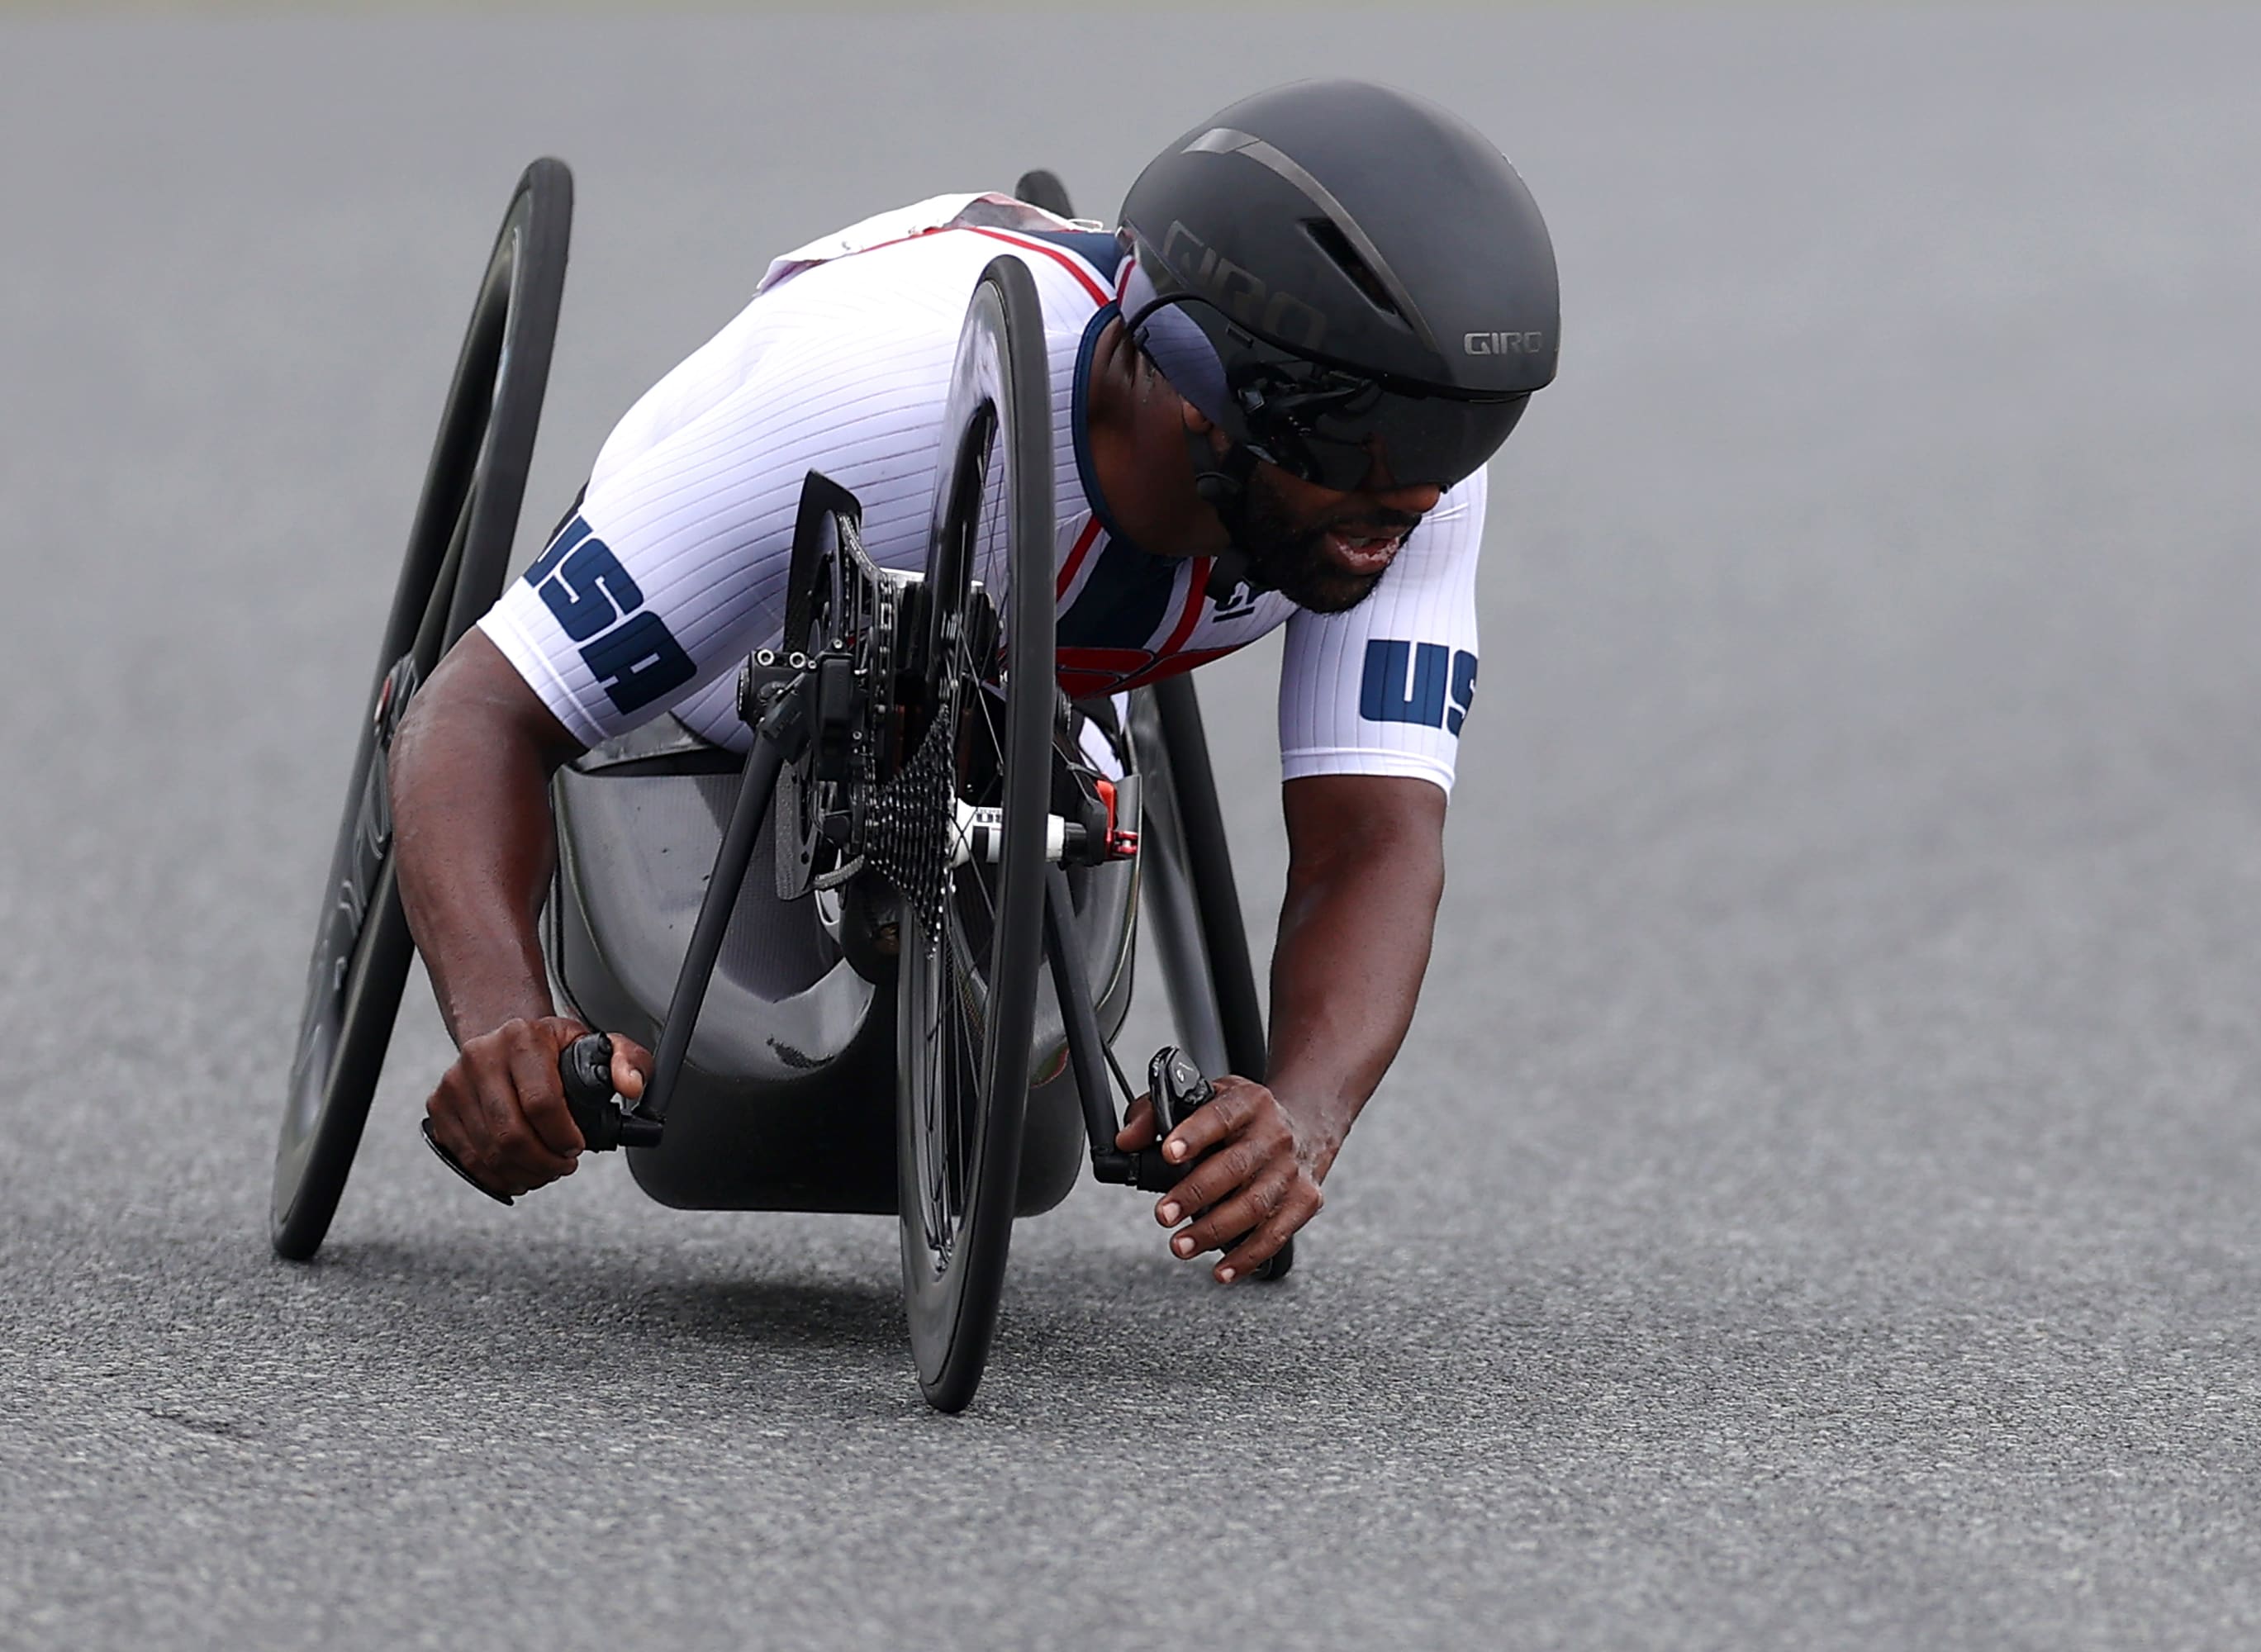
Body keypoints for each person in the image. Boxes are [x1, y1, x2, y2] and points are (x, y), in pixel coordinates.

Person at [390, 80, 1559, 1284]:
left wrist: (1298, 1120)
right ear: (1210, 395)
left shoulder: (1410, 477)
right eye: (1370, 447)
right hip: (753, 579)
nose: (1420, 498)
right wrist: (502, 1025)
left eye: (1470, 436)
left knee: (1062, 777)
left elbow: (1375, 837)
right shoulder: (856, 412)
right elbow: (478, 710)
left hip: (1032, 665)